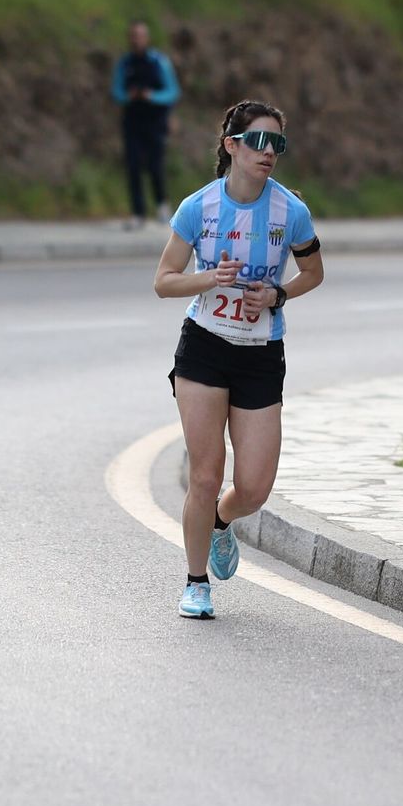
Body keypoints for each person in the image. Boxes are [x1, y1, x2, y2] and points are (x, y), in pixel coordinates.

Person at [153, 100, 324, 619]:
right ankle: (195, 582)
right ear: (232, 146)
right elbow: (164, 282)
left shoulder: (290, 211)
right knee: (206, 475)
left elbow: (313, 273)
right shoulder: (198, 208)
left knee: (254, 487)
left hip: (260, 354)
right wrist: (211, 278)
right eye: (258, 141)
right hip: (204, 348)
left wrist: (277, 296)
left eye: (278, 144)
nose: (268, 152)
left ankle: (223, 522)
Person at [111, 21, 181, 230]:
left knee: (155, 164)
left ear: (147, 38)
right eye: (133, 35)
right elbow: (116, 92)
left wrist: (152, 96)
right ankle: (138, 212)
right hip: (133, 120)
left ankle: (161, 204)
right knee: (133, 165)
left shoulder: (159, 61)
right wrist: (128, 96)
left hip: (155, 121)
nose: (137, 39)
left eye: (140, 35)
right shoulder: (125, 64)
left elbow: (172, 91)